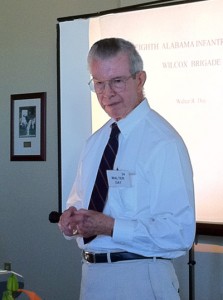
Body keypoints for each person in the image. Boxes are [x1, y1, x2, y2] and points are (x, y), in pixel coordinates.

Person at [58, 37, 195, 300]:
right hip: (92, 277)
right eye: (98, 83)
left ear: (140, 79)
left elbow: (179, 233)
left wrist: (110, 226)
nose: (106, 93)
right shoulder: (95, 142)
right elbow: (78, 202)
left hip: (141, 277)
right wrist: (71, 221)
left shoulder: (163, 143)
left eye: (117, 81)